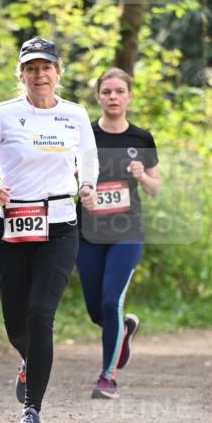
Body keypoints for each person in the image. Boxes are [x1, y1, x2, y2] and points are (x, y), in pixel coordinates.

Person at [0, 37, 98, 423]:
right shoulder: (4, 115)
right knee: (15, 322)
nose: (40, 75)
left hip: (59, 222)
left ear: (58, 72)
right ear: (21, 75)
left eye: (46, 67)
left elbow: (88, 159)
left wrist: (87, 185)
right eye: (32, 69)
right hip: (15, 221)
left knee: (41, 314)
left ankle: (32, 410)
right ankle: (29, 360)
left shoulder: (75, 114)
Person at [76, 67, 161, 399]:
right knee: (97, 311)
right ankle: (124, 329)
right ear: (98, 96)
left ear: (129, 96)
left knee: (112, 301)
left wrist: (142, 176)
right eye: (107, 91)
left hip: (127, 232)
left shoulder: (141, 139)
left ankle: (107, 377)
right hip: (88, 233)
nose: (113, 97)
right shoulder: (84, 135)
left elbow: (155, 189)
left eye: (119, 91)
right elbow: (66, 175)